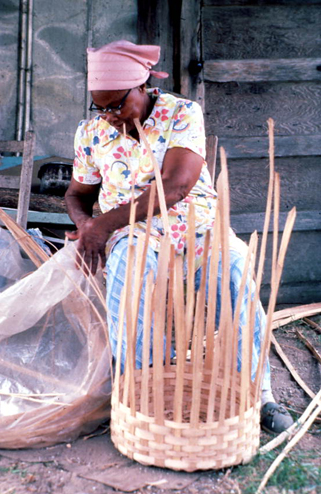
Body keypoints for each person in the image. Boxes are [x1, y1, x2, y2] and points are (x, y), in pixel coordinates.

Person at [65, 40, 293, 434]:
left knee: (236, 267)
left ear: (142, 86)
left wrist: (102, 225)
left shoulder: (181, 114)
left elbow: (176, 187)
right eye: (100, 108)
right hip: (132, 230)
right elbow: (76, 194)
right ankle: (144, 391)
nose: (110, 117)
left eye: (118, 104)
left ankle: (257, 394)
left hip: (198, 224)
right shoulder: (91, 133)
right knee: (127, 269)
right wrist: (86, 224)